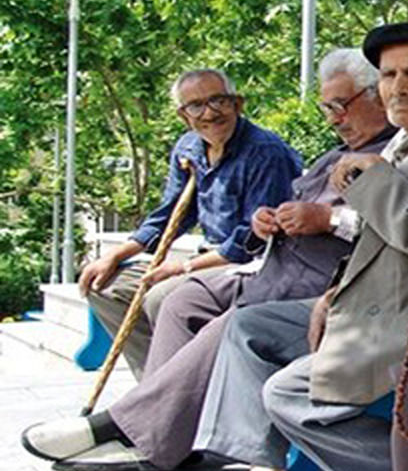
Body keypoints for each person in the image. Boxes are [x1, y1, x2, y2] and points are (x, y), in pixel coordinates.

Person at [21, 49, 394, 471]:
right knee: (183, 300)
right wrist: (266, 223)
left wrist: (326, 219)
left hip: (316, 284)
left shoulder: (384, 154)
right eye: (328, 107)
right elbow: (179, 217)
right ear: (183, 116)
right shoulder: (329, 153)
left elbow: (399, 226)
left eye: (340, 105)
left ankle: (138, 431)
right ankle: (162, 425)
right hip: (268, 267)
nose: (332, 118)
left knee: (212, 313)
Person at [177, 21, 408, 471]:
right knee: (247, 326)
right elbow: (372, 240)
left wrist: (368, 181)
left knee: (287, 393)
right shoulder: (403, 140)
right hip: (359, 302)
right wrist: (334, 289)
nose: (399, 87)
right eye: (389, 75)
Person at [78, 68, 302, 378]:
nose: (209, 113)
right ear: (184, 116)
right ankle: (156, 385)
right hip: (208, 258)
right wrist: (115, 256)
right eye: (196, 106)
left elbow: (250, 240)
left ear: (238, 104)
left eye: (218, 101)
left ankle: (177, 391)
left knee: (162, 296)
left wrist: (183, 269)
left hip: (254, 264)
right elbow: (171, 216)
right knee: (105, 288)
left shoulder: (266, 152)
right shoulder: (188, 149)